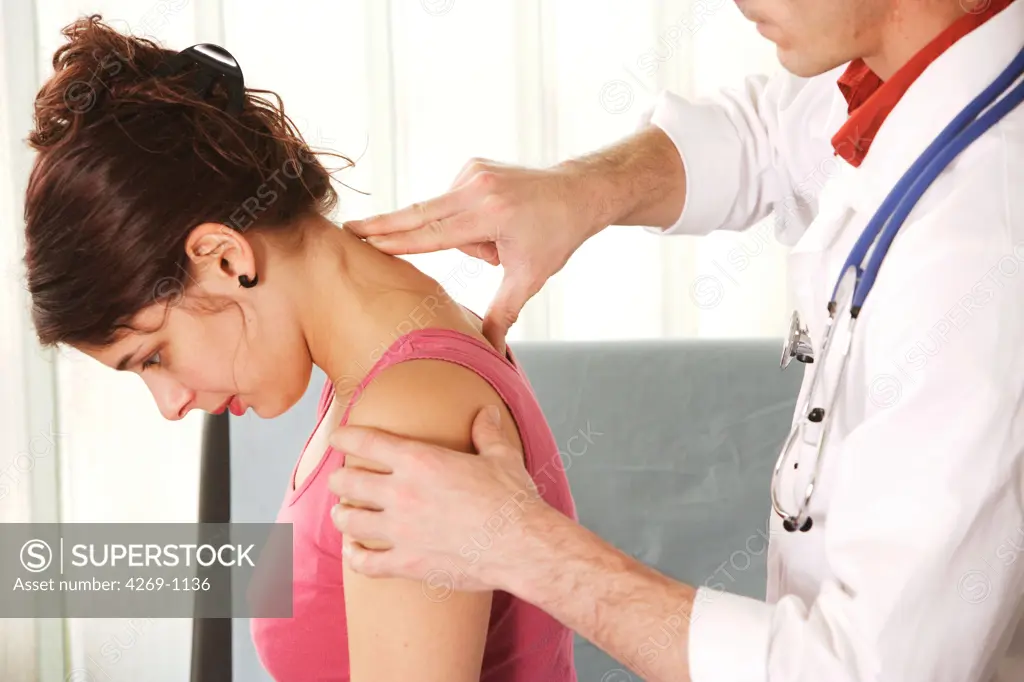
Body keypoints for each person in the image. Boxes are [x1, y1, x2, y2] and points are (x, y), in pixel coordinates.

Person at [326, 1, 1024, 681]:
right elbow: (772, 134)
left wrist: (519, 544)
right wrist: (583, 189)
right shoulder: (919, 67)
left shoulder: (981, 249)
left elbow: (864, 672)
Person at [22, 15, 578, 682]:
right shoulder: (385, 359)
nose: (170, 405)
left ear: (225, 259)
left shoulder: (405, 416)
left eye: (152, 356)